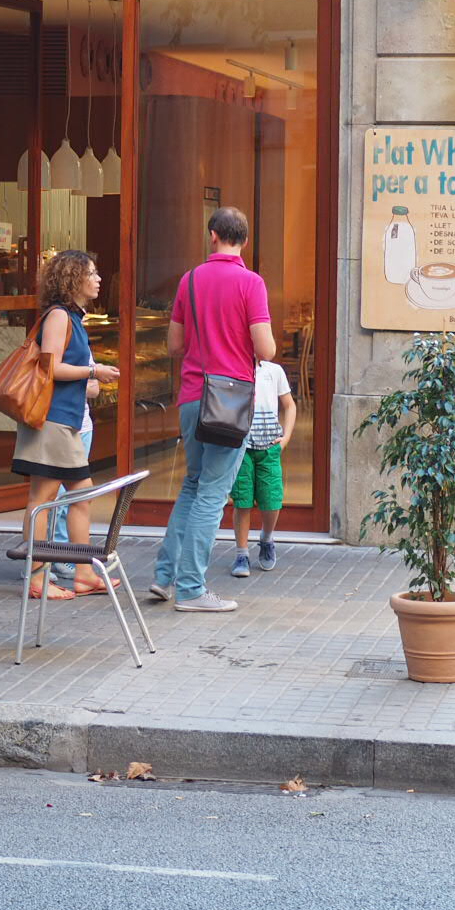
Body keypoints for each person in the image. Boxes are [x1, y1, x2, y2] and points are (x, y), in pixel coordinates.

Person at [151, 207, 276, 612]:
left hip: (193, 396)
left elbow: (174, 345)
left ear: (213, 236)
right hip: (230, 401)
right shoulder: (251, 283)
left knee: (193, 484)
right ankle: (191, 589)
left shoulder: (189, 280)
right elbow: (266, 349)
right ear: (245, 240)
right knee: (212, 493)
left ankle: (164, 576)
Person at [11, 248, 121, 600]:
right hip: (53, 420)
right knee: (42, 499)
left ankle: (83, 572)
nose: (98, 279)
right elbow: (51, 367)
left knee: (80, 495)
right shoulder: (59, 316)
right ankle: (37, 577)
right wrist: (93, 371)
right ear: (73, 279)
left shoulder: (72, 317)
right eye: (91, 273)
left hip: (65, 420)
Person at [229, 358, 296, 577]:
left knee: (272, 499)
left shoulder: (273, 371)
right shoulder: (233, 367)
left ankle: (266, 538)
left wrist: (285, 438)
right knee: (242, 500)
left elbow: (289, 405)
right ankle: (241, 553)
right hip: (241, 446)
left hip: (269, 446)